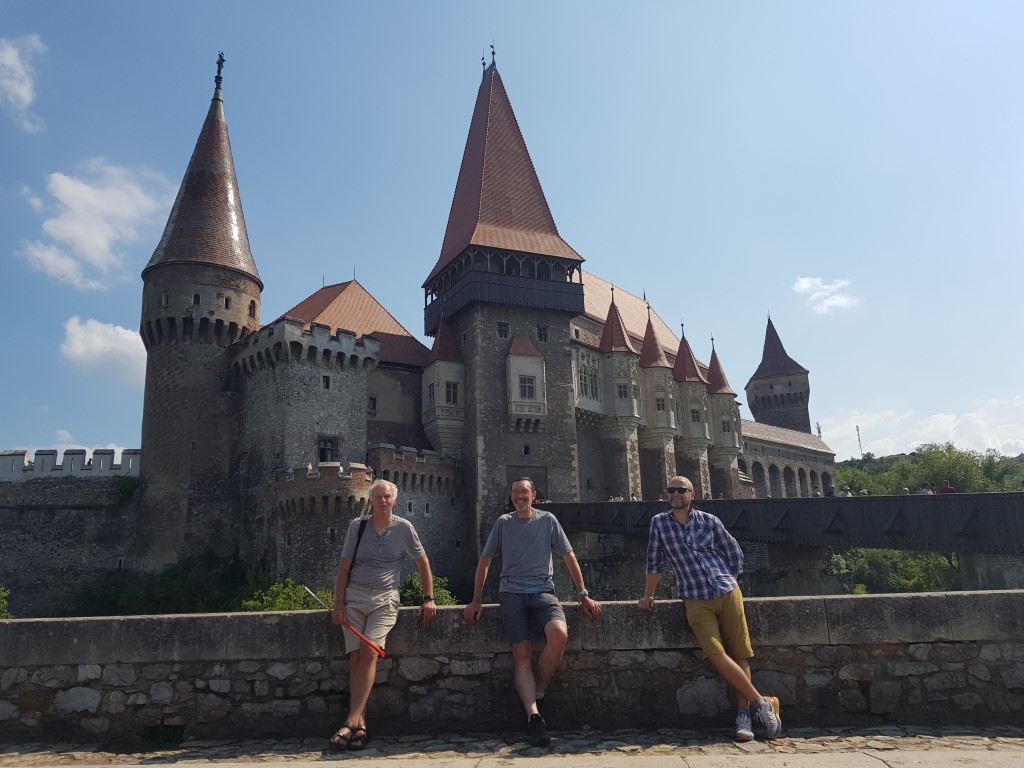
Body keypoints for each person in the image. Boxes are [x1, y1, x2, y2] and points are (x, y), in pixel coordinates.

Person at [638, 476, 781, 743]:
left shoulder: (709, 520)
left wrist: (731, 581)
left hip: (726, 591)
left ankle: (744, 716)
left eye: (681, 490)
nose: (675, 494)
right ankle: (761, 702)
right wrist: (648, 595)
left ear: (692, 494)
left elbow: (734, 552)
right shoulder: (659, 523)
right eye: (671, 490)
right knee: (715, 653)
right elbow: (654, 561)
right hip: (694, 596)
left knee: (740, 654)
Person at [464, 477, 602, 746]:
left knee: (559, 634)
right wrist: (476, 599)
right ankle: (533, 716)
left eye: (523, 492)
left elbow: (569, 556)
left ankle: (538, 687)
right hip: (511, 593)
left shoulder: (548, 520)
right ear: (511, 496)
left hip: (543, 591)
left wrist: (583, 594)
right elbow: (485, 561)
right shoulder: (503, 523)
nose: (519, 496)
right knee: (522, 651)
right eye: (515, 492)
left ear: (533, 495)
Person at [330, 479, 437, 750]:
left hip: (385, 599)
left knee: (369, 650)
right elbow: (344, 569)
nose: (382, 501)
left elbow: (423, 563)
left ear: (395, 501)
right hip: (353, 597)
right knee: (355, 658)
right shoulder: (358, 527)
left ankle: (350, 720)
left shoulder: (404, 528)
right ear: (370, 502)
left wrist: (429, 598)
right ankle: (361, 726)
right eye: (377, 497)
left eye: (387, 496)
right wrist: (338, 605)